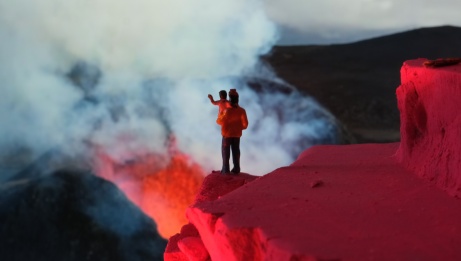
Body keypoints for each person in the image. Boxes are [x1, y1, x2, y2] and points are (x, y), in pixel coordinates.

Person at [216, 89, 248, 174]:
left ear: (230, 100)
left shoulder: (227, 111)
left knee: (225, 152)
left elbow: (219, 121)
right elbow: (245, 125)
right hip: (237, 134)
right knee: (236, 151)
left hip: (227, 134)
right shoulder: (242, 111)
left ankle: (226, 169)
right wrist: (238, 127)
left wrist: (220, 114)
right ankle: (236, 168)